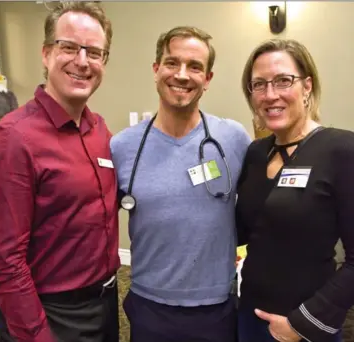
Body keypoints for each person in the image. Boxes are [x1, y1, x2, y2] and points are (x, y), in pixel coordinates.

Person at [0, 2, 120, 342]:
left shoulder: (99, 129)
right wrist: (36, 335)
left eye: (94, 52)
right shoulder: (13, 139)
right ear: (46, 54)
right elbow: (3, 260)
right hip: (52, 313)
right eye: (69, 47)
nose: (82, 61)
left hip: (104, 302)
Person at [110, 26, 251, 342]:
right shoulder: (122, 147)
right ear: (156, 69)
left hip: (217, 306)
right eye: (172, 63)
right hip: (150, 305)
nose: (182, 75)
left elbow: (259, 206)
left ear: (208, 79)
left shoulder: (234, 139)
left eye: (195, 66)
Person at [235, 38, 354, 342]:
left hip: (304, 327)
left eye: (283, 81)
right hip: (248, 316)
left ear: (307, 86)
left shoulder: (341, 149)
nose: (270, 94)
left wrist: (302, 324)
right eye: (259, 85)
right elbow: (246, 231)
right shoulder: (256, 153)